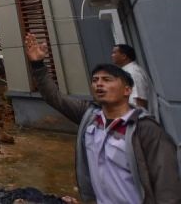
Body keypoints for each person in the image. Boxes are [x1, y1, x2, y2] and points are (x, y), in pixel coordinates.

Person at [24, 33, 181, 204]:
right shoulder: (90, 118)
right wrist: (38, 64)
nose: (99, 84)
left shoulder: (147, 131)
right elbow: (54, 97)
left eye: (107, 80)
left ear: (127, 90)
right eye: (95, 80)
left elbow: (168, 190)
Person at [111, 44, 157, 117]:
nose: (112, 55)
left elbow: (140, 101)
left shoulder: (133, 72)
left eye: (114, 53)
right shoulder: (126, 71)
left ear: (124, 56)